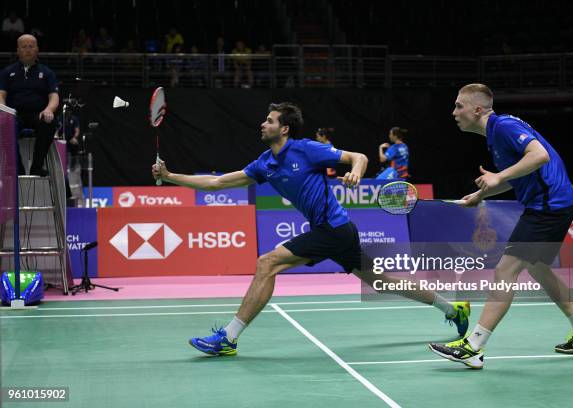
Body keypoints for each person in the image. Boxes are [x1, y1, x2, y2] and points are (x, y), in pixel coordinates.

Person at [152, 102, 471, 356]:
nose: (263, 124)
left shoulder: (305, 149)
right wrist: (171, 177)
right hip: (335, 231)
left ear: (284, 128)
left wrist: (357, 172)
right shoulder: (265, 163)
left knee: (267, 262)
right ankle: (452, 308)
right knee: (382, 282)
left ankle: (229, 337)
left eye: (270, 120)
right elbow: (217, 182)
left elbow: (357, 157)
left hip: (333, 229)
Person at [428, 83, 573, 369]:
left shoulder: (505, 126)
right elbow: (516, 177)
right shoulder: (496, 135)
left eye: (459, 106)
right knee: (538, 268)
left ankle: (474, 346)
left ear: (477, 109)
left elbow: (539, 156)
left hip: (549, 206)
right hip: (550, 204)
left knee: (505, 270)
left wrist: (497, 178)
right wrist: (480, 194)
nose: (454, 112)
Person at [0, 34, 59, 176]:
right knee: (2, 123)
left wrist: (48, 109)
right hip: (14, 115)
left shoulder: (47, 73)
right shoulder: (7, 72)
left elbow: (54, 96)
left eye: (31, 46)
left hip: (38, 114)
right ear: (18, 50)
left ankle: (37, 166)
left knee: (49, 122)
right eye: (24, 47)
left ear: (37, 49)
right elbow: (1, 95)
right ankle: (16, 166)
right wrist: (4, 112)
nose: (27, 50)